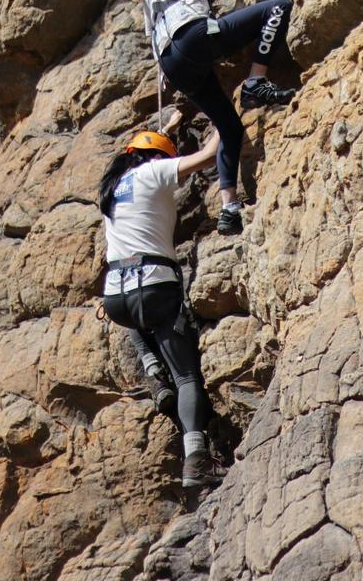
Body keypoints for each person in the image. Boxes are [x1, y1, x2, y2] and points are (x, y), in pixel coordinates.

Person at [144, 0, 299, 236]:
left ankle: (229, 207)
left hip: (173, 64)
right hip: (192, 37)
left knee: (228, 126)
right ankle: (255, 81)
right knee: (277, 8)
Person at [98, 116, 224, 487]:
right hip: (153, 285)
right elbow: (206, 156)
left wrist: (167, 128)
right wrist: (223, 115)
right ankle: (196, 460)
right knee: (186, 376)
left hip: (116, 295)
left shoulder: (112, 186)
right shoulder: (154, 172)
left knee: (139, 318)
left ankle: (152, 368)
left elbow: (150, 152)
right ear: (156, 158)